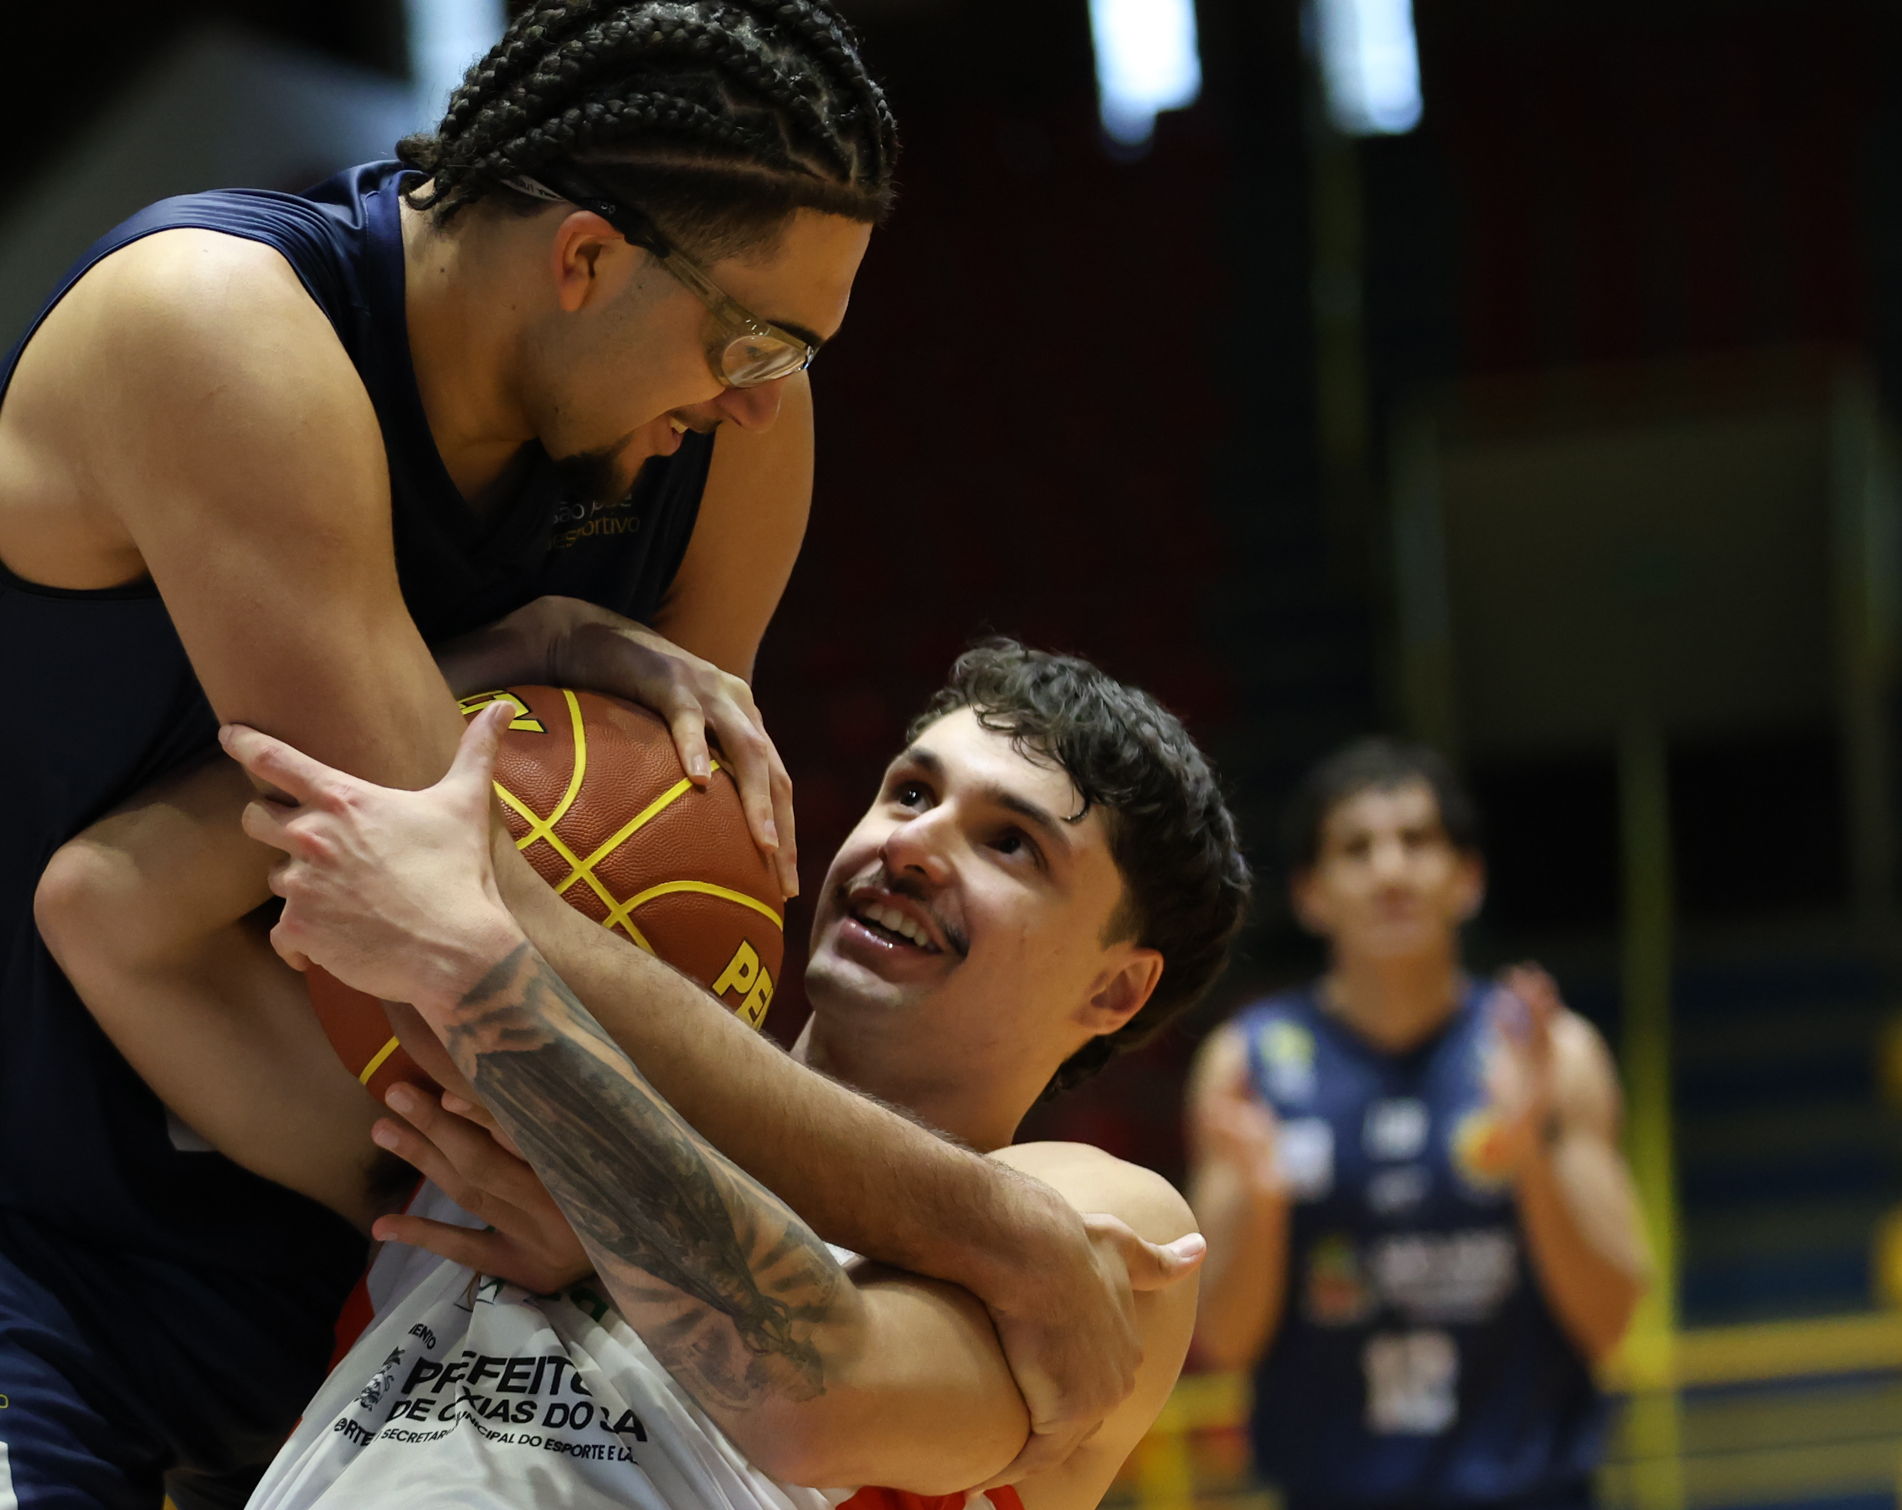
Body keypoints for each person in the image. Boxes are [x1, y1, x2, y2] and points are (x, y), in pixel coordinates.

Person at [0, 0, 1136, 1510]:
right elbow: (474, 923)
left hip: (363, 1210)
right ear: (583, 260)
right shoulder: (213, 327)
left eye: (795, 356)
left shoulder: (730, 443)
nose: (760, 397)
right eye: (749, 342)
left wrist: (610, 1200)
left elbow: (646, 904)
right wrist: (988, 1226)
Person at [173, 640, 1252, 1507]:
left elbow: (807, 1395)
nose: (914, 844)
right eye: (910, 791)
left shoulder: (1104, 1216)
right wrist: (503, 664)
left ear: (1116, 988)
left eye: (1010, 843)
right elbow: (116, 919)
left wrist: (478, 940)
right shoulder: (491, 1112)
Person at [1185, 739, 1652, 1510]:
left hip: (1532, 1493)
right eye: (1356, 848)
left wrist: (1530, 1152)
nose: (1390, 870)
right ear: (1309, 892)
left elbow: (1611, 1320)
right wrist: (1264, 1205)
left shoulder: (1550, 1053)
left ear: (1467, 878)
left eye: (1416, 840)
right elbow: (1224, 1340)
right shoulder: (1246, 1065)